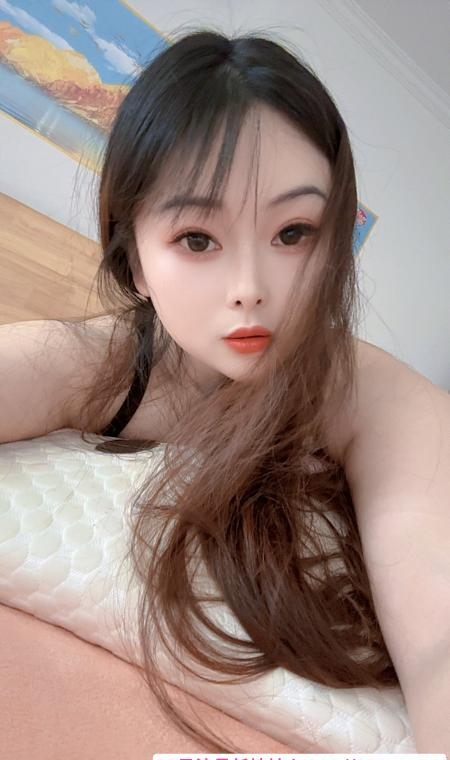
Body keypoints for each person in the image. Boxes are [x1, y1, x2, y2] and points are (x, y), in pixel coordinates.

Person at [5, 28, 450, 754]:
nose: (250, 289)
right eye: (197, 239)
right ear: (136, 261)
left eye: (294, 232)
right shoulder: (98, 364)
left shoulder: (366, 390)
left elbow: (440, 633)